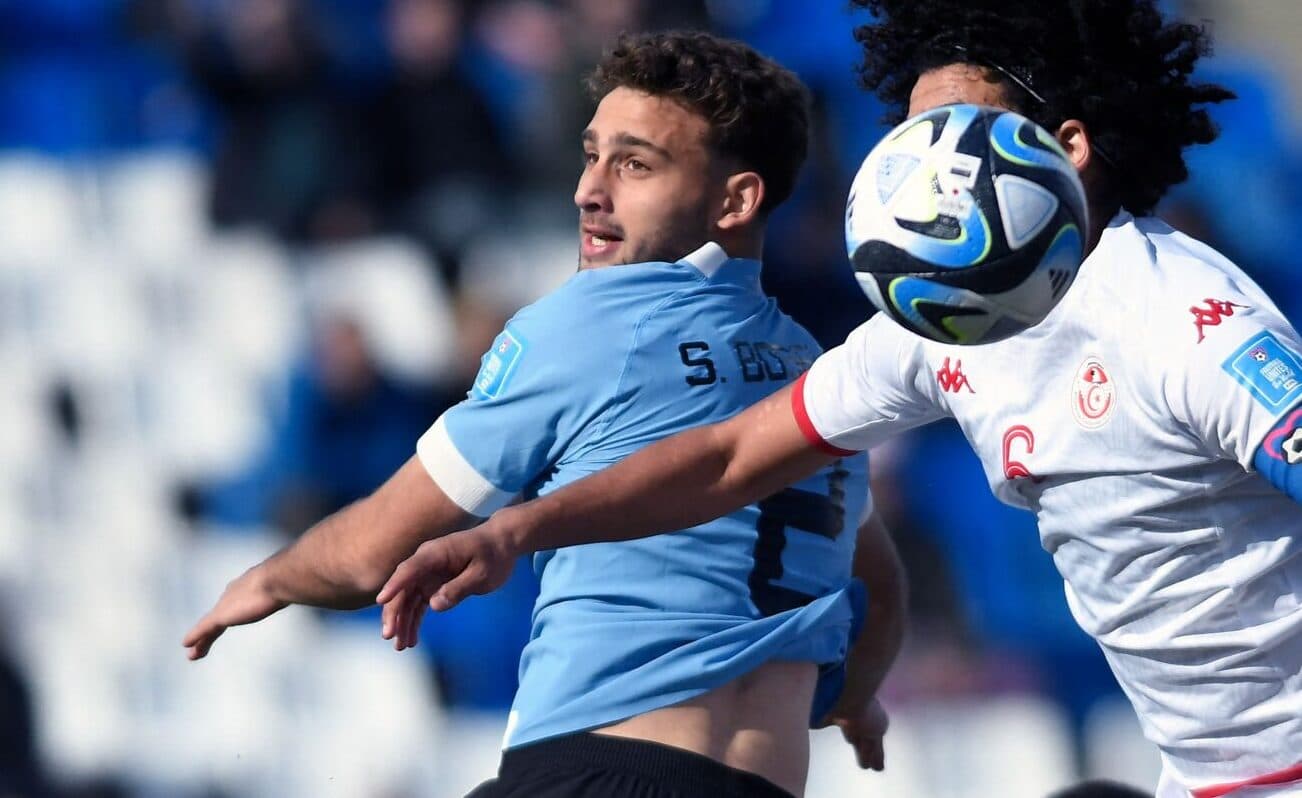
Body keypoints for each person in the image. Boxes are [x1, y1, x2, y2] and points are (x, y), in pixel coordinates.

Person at [377, 3, 1302, 798]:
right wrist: (515, 530)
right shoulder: (944, 323)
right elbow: (730, 458)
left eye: (958, 134)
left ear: (1066, 150)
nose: (920, 169)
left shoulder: (1186, 324)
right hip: (1205, 770)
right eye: (908, 136)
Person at [184, 31, 907, 798]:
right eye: (591, 154)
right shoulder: (811, 373)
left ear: (736, 199)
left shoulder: (595, 322)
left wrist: (275, 577)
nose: (588, 190)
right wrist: (854, 699)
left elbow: (372, 554)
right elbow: (882, 590)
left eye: (634, 164)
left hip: (599, 776)